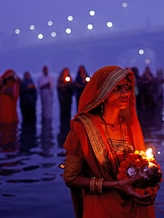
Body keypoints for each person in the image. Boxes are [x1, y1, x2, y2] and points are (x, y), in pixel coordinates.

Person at [63, 66, 158, 218]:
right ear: (103, 93)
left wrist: (147, 184)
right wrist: (115, 185)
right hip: (101, 208)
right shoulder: (83, 129)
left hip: (134, 205)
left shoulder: (129, 125)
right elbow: (70, 178)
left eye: (127, 87)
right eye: (117, 88)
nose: (125, 93)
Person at [57, 68, 74, 137]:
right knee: (63, 110)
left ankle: (68, 125)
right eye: (65, 72)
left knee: (68, 110)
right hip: (62, 98)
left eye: (67, 72)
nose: (66, 73)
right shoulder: (60, 79)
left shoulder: (70, 79)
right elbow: (58, 86)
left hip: (68, 97)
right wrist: (63, 85)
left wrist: (68, 84)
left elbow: (72, 87)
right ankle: (62, 127)